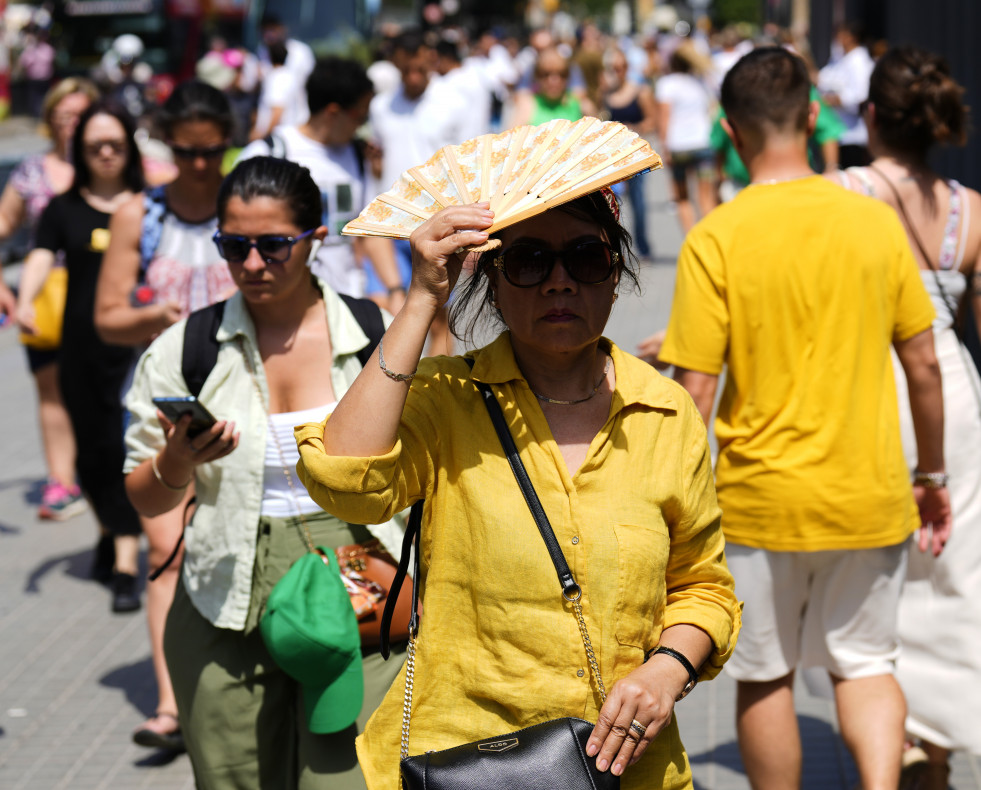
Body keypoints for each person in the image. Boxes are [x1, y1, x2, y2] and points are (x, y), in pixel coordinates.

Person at [295, 190, 741, 790]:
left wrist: (666, 671)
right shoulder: (446, 399)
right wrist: (425, 296)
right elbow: (343, 479)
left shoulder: (666, 412)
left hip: (627, 768)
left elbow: (702, 589)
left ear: (616, 274)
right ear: (493, 280)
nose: (559, 282)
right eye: (529, 261)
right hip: (466, 763)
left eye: (586, 257)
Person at [656, 48, 951, 790]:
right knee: (866, 664)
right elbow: (922, 363)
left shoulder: (715, 237)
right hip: (870, 489)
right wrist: (932, 475)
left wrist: (670, 510)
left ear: (728, 128)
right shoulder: (873, 226)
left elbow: (694, 388)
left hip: (759, 502)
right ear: (814, 115)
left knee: (762, 675)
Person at [122, 157, 407, 789]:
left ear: (315, 240)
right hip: (225, 589)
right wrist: (176, 461)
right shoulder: (186, 349)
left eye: (274, 246)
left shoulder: (372, 337)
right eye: (234, 246)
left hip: (362, 581)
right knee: (234, 778)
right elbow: (142, 496)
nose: (252, 264)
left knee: (352, 779)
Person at [834, 46, 981, 790]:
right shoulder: (969, 207)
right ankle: (941, 737)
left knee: (873, 569)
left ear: (870, 118)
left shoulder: (842, 192)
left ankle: (894, 741)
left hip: (869, 381)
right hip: (951, 388)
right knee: (951, 565)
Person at [95, 79, 238, 753]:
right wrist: (153, 318)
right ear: (168, 147)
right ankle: (170, 702)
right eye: (187, 152)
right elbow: (106, 317)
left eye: (214, 152)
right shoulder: (139, 215)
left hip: (244, 394)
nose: (202, 166)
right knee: (163, 548)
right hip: (163, 399)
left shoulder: (248, 208)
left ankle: (240, 686)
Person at [15, 100, 146, 613]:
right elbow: (41, 256)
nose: (106, 153)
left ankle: (125, 564)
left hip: (137, 351)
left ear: (130, 147)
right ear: (80, 152)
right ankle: (111, 531)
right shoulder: (62, 209)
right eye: (95, 146)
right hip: (80, 351)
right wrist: (25, 301)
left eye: (115, 143)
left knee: (125, 450)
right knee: (91, 457)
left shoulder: (146, 204)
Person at [0, 77, 97, 522]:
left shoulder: (113, 164)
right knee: (53, 393)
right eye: (64, 117)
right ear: (49, 121)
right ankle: (62, 482)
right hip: (47, 295)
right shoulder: (32, 173)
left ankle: (106, 474)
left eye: (81, 115)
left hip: (103, 292)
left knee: (105, 391)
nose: (72, 125)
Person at [238, 57, 403, 308]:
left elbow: (371, 231)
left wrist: (394, 290)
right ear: (333, 112)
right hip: (282, 305)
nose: (363, 125)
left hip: (345, 302)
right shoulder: (269, 153)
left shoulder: (358, 155)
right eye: (360, 115)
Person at [368, 30, 467, 354]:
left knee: (437, 319)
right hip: (389, 225)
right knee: (387, 314)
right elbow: (376, 165)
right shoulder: (381, 107)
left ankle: (435, 394)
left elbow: (468, 166)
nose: (413, 76)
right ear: (395, 63)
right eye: (405, 70)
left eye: (419, 69)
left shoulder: (453, 103)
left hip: (436, 223)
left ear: (430, 60)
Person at [654, 44, 718, 234]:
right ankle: (711, 240)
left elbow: (664, 118)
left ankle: (692, 240)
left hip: (679, 147)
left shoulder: (667, 83)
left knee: (682, 198)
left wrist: (664, 147)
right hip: (703, 144)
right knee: (706, 198)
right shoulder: (700, 83)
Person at [602, 48, 656, 259]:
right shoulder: (605, 94)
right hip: (611, 155)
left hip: (634, 153)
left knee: (638, 200)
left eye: (621, 67)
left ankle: (643, 245)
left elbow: (652, 121)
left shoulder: (640, 91)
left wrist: (633, 127)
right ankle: (613, 247)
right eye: (613, 68)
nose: (617, 72)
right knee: (610, 202)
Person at [817, 21, 874, 168]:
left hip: (853, 135)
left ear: (851, 37)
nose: (838, 38)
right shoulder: (842, 58)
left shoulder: (859, 61)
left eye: (841, 34)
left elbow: (860, 96)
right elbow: (823, 79)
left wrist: (833, 100)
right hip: (839, 132)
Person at [511, 47, 583, 127]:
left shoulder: (579, 103)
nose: (554, 80)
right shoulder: (527, 104)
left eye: (562, 74)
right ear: (537, 76)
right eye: (546, 74)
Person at [250, 42, 307, 142]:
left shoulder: (276, 78)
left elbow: (277, 110)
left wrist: (262, 136)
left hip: (276, 137)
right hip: (288, 134)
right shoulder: (290, 76)